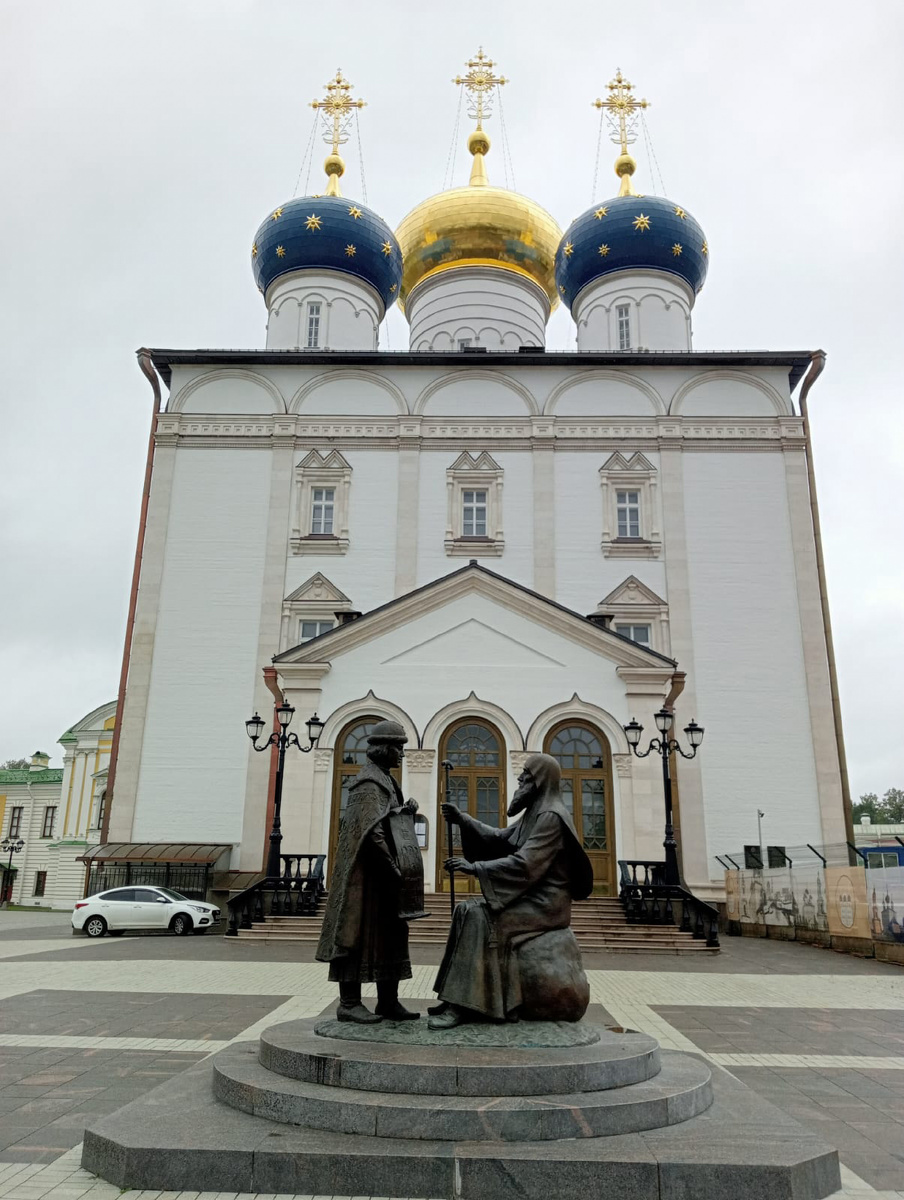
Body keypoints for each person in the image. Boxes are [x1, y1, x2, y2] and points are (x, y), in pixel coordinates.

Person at [429, 751, 593, 1030]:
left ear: (538, 782)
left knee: (479, 917)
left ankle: (464, 1007)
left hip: (545, 905)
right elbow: (501, 838)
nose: (518, 783)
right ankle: (454, 997)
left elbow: (526, 863)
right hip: (529, 897)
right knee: (464, 910)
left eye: (524, 778)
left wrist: (475, 867)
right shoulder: (536, 812)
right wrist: (464, 820)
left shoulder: (551, 816)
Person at [316, 719, 422, 1023]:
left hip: (382, 881)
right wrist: (394, 869)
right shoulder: (368, 783)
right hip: (366, 880)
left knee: (390, 935)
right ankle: (348, 1003)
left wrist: (405, 812)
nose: (401, 755)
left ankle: (388, 1001)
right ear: (383, 749)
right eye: (398, 748)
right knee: (358, 935)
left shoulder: (385, 780)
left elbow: (386, 820)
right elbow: (371, 834)